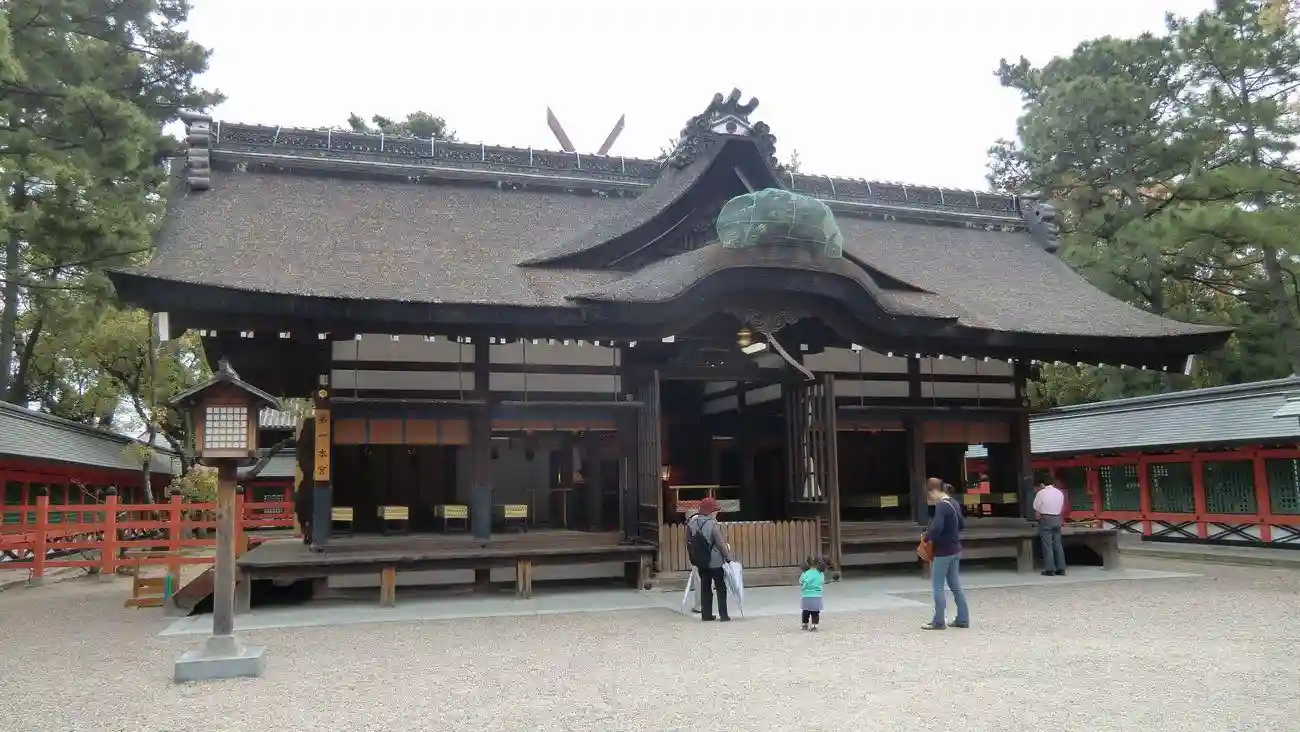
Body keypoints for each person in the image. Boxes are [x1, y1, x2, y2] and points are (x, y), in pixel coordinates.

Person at [922, 478, 969, 630]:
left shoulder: (941, 505)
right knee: (956, 586)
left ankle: (939, 621)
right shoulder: (953, 502)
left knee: (937, 586)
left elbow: (937, 527)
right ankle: (963, 618)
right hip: (955, 549)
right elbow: (962, 524)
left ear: (934, 490)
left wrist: (927, 538)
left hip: (943, 551)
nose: (931, 498)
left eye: (930, 494)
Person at [686, 497, 733, 622]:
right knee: (721, 588)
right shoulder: (713, 524)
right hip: (716, 562)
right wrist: (728, 558)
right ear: (710, 511)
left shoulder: (691, 524)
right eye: (715, 510)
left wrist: (693, 558)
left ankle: (706, 615)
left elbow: (689, 544)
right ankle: (724, 615)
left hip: (701, 562)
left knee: (705, 588)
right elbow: (720, 544)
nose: (716, 513)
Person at [1034, 474, 1067, 576]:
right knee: (1058, 544)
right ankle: (1061, 568)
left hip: (1046, 519)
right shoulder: (1059, 493)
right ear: (1053, 483)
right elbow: (1061, 505)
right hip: (1057, 518)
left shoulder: (1041, 493)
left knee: (1047, 545)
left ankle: (1050, 569)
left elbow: (1036, 506)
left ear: (1042, 484)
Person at [799, 556, 826, 631]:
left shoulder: (805, 573)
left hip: (806, 596)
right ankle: (814, 625)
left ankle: (805, 624)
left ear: (807, 563)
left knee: (805, 611)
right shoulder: (820, 573)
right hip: (817, 596)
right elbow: (822, 582)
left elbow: (801, 582)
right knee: (815, 612)